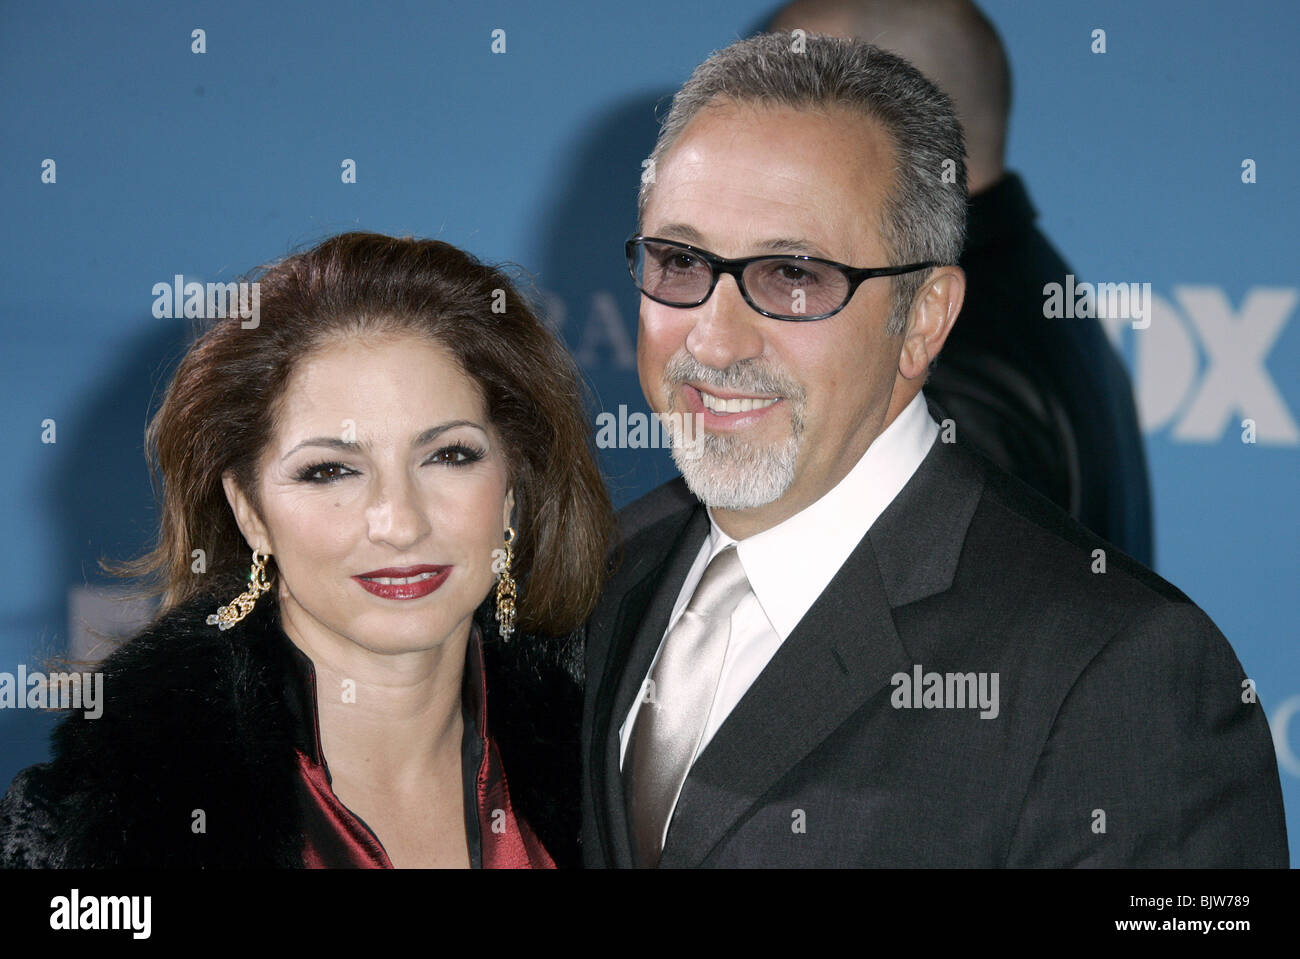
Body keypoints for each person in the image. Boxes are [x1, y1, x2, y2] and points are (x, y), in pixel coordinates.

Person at [581, 34, 1288, 867]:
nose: (715, 337)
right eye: (680, 260)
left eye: (792, 276)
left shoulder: (1124, 673)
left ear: (922, 319)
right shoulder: (605, 574)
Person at [0, 232, 614, 868]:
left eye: (449, 455)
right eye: (330, 471)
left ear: (511, 486)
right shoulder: (91, 831)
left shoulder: (620, 763)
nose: (399, 523)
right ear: (250, 511)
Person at [768, 0, 1154, 565]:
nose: (755, 128)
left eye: (795, 96)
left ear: (911, 116)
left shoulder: (938, 354)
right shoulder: (1027, 282)